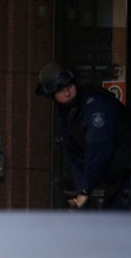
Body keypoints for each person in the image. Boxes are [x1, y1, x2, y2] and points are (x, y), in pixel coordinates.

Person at [35, 61, 131, 210]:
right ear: (52, 96)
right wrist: (83, 191)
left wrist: (86, 190)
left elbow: (99, 147)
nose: (67, 93)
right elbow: (73, 156)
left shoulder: (96, 105)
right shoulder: (67, 116)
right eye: (60, 90)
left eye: (69, 86)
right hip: (117, 178)